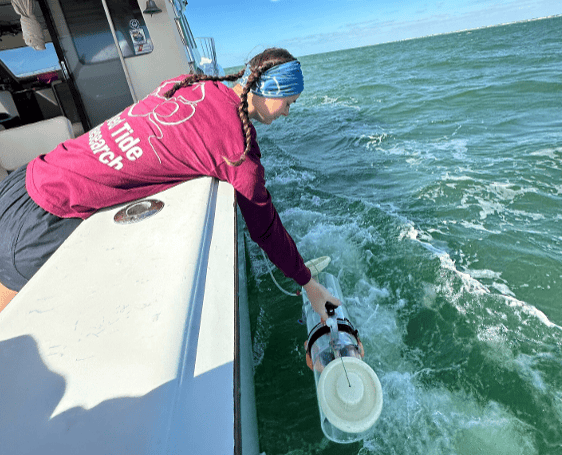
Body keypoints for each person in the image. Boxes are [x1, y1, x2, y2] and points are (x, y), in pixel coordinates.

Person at [0, 48, 340, 318]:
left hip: (25, 177)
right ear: (273, 90)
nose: (286, 114)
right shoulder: (238, 152)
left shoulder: (189, 83)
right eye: (288, 104)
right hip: (43, 216)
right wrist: (309, 285)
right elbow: (265, 230)